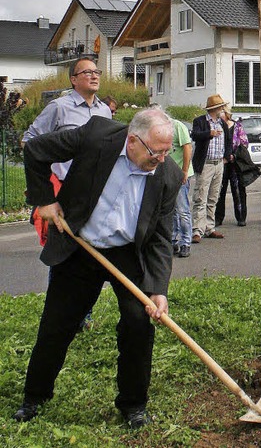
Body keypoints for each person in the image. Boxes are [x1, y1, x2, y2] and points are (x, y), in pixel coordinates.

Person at [13, 108, 182, 429]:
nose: (161, 159)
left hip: (127, 254)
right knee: (57, 325)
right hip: (81, 244)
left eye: (166, 151)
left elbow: (160, 236)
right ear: (132, 141)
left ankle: (134, 404)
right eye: (155, 152)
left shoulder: (167, 175)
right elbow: (36, 151)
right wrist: (45, 199)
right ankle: (34, 396)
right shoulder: (96, 136)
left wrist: (158, 288)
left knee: (138, 325)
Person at [23, 58, 112, 330]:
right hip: (64, 192)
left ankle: (83, 316)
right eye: (87, 72)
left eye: (96, 72)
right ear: (73, 79)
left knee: (91, 251)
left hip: (94, 193)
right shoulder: (59, 108)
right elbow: (30, 141)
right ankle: (58, 317)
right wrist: (45, 185)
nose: (94, 76)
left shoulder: (105, 111)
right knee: (62, 254)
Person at [190, 95, 231, 242]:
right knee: (201, 197)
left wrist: (227, 156)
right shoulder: (200, 121)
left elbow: (228, 141)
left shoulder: (223, 123)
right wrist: (209, 133)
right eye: (221, 107)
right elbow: (194, 135)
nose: (223, 109)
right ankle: (197, 230)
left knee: (213, 197)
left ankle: (209, 227)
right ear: (215, 108)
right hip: (206, 163)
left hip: (218, 163)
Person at [215, 109, 249, 227]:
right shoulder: (217, 127)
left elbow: (244, 143)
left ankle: (241, 217)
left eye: (222, 118)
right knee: (219, 191)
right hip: (222, 162)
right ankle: (218, 218)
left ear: (227, 117)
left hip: (235, 164)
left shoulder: (237, 127)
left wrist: (234, 155)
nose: (220, 120)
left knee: (238, 190)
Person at [169, 115, 194, 257]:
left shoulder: (178, 126)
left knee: (182, 210)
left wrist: (184, 171)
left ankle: (186, 242)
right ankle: (173, 241)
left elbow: (187, 148)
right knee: (171, 210)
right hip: (168, 174)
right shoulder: (158, 128)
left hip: (180, 174)